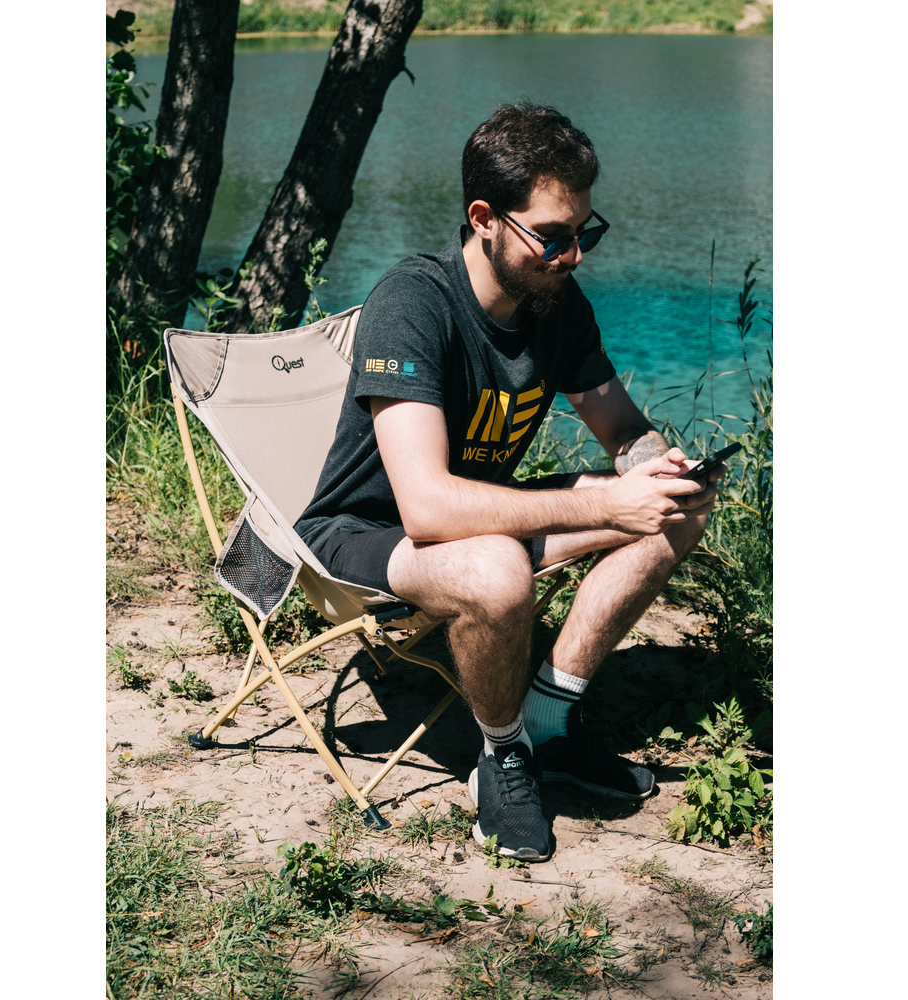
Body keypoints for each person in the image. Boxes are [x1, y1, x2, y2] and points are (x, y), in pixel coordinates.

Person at [294, 102, 723, 862]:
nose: (573, 256)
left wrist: (655, 466)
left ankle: (549, 722)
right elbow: (426, 509)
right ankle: (501, 753)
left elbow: (623, 428)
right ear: (484, 219)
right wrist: (605, 502)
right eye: (552, 236)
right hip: (363, 538)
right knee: (494, 567)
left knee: (673, 506)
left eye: (584, 232)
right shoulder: (413, 303)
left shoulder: (555, 303)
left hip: (480, 523)